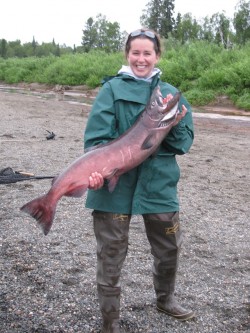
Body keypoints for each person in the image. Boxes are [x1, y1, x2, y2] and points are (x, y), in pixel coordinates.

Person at [84, 28, 195, 333]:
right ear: (127, 54)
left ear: (157, 56)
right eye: (136, 52)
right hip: (112, 187)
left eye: (147, 53)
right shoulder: (111, 90)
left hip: (158, 185)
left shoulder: (170, 95)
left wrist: (173, 125)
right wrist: (95, 172)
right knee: (111, 253)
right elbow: (95, 142)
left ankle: (166, 299)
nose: (141, 59)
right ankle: (110, 320)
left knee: (169, 247)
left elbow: (183, 145)